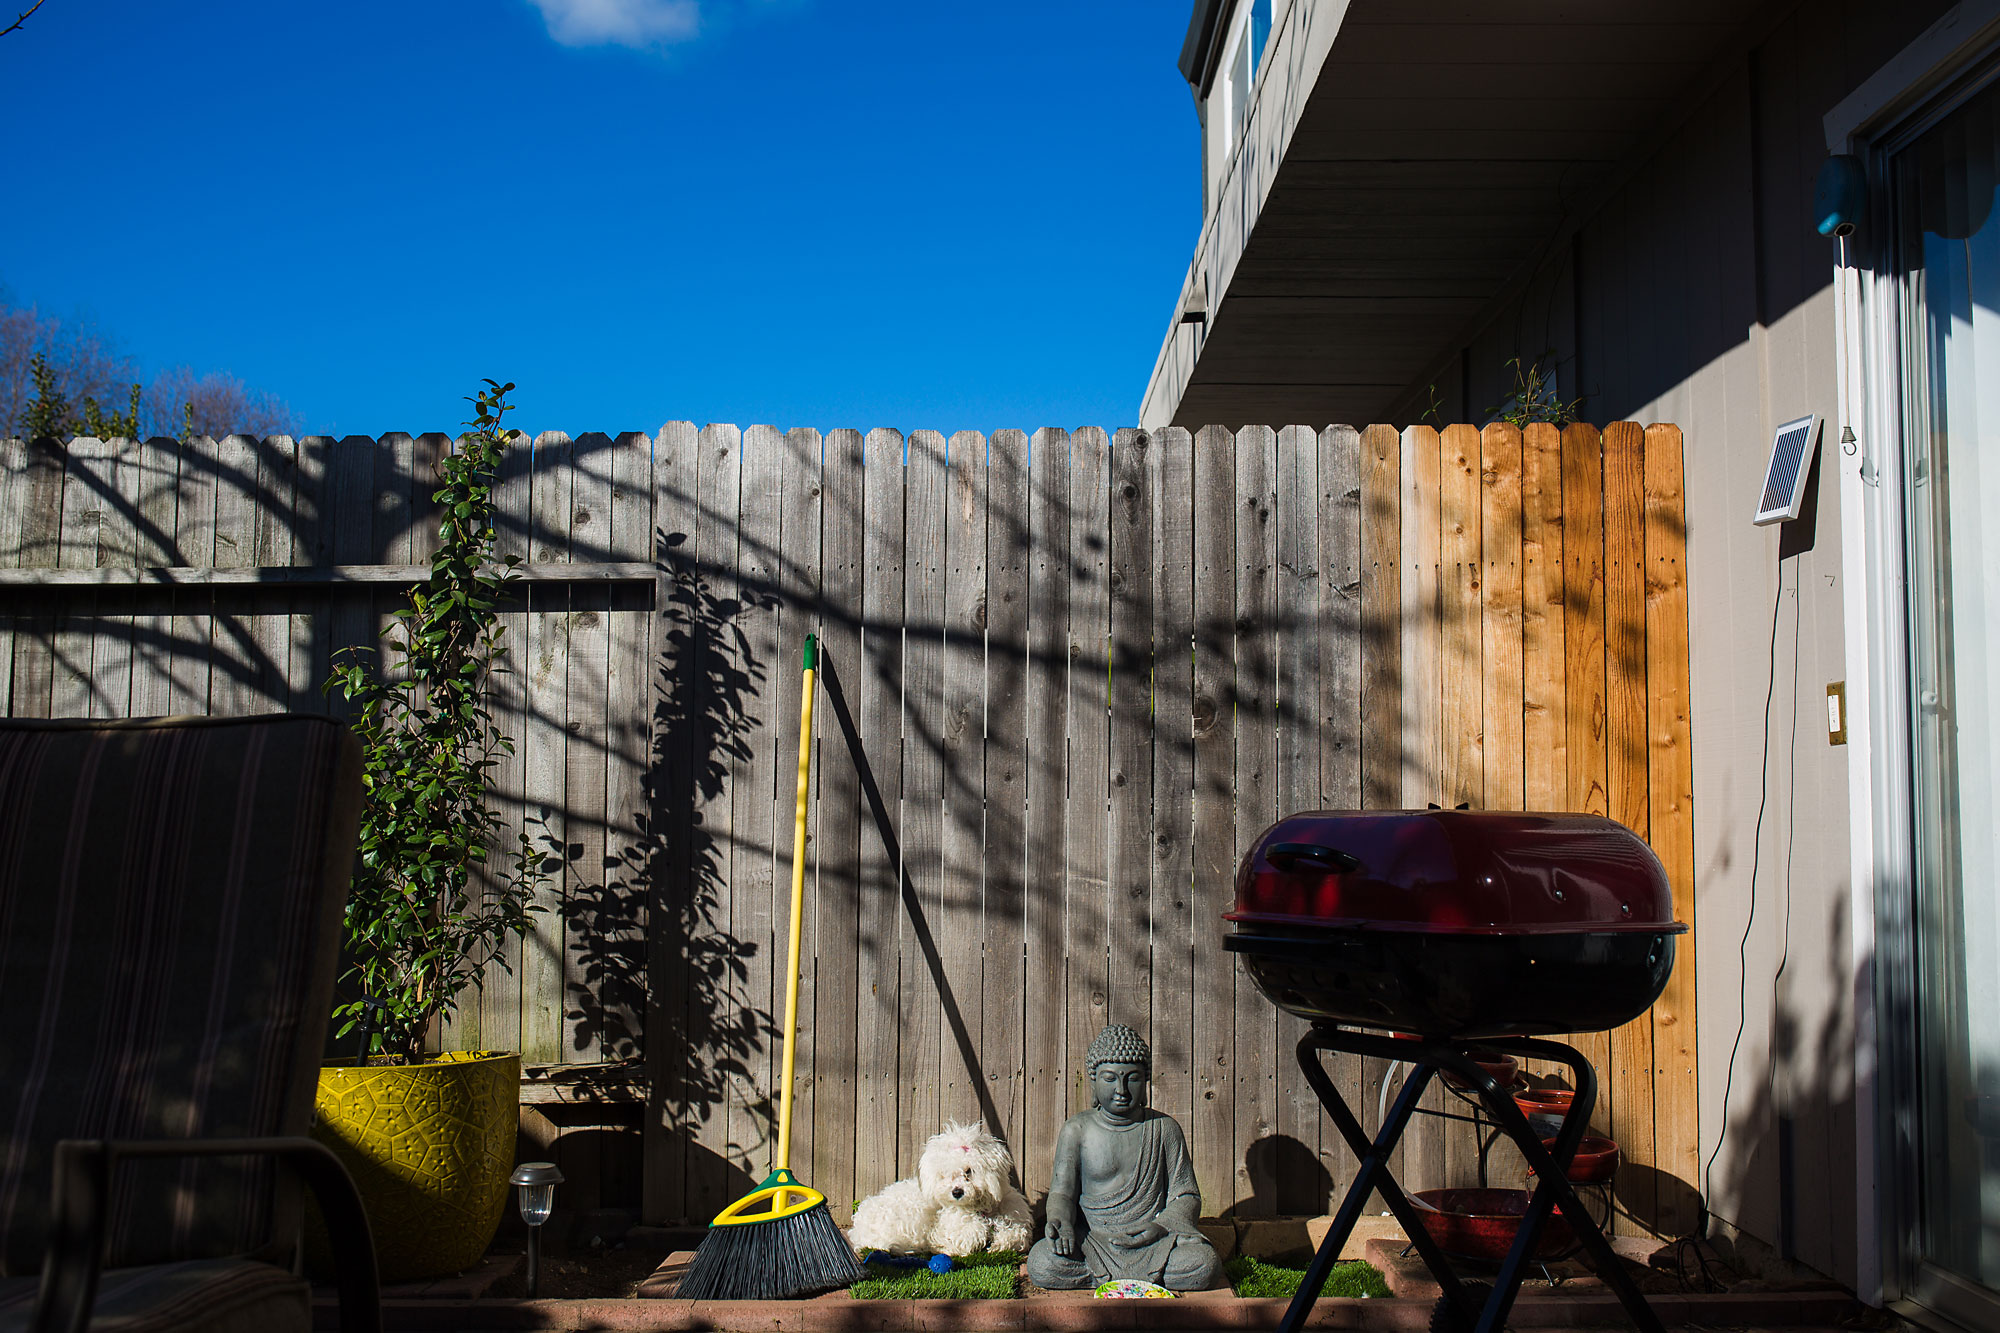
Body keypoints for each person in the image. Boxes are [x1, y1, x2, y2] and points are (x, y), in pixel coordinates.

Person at [1024, 1025, 1221, 1291]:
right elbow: (1062, 1194)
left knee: (1203, 1263)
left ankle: (1104, 1280)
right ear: (1093, 1081)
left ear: (1146, 1081)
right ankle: (1122, 1277)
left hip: (1152, 1243)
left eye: (1132, 1078)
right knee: (1042, 1263)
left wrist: (1161, 1227)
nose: (1121, 1089)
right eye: (1110, 1078)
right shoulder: (1077, 1130)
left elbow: (1185, 1196)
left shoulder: (1164, 1129)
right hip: (1094, 1241)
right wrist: (1061, 1223)